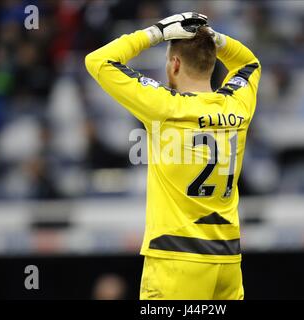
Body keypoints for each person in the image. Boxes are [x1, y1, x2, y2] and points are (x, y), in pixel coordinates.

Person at [85, 12, 261, 300]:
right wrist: (214, 38)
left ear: (175, 64)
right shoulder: (238, 106)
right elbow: (249, 63)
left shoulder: (165, 107)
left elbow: (98, 61)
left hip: (177, 258)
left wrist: (157, 32)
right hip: (228, 258)